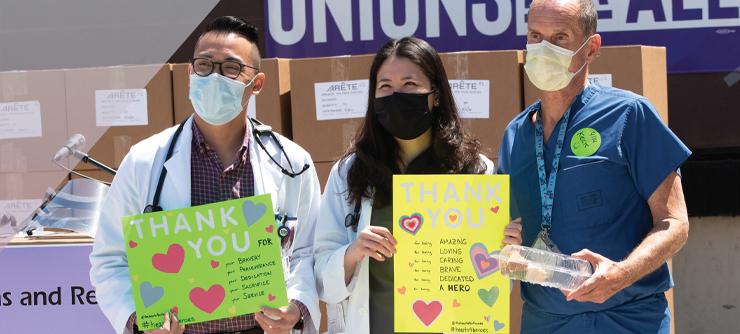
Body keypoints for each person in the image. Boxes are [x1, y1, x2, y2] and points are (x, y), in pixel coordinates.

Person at [90, 17, 321, 334]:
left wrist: (297, 305)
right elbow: (110, 260)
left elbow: (308, 252)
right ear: (189, 74)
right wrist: (139, 320)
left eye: (231, 68)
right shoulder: (143, 162)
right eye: (204, 65)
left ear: (257, 84)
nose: (214, 77)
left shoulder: (293, 162)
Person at [498, 0, 691, 334]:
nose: (544, 49)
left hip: (631, 320)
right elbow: (505, 232)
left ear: (591, 48)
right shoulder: (515, 135)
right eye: (535, 36)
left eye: (560, 38)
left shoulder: (630, 115)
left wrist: (620, 275)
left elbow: (675, 224)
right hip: (545, 323)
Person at [313, 37, 495, 334]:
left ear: (436, 94)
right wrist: (352, 253)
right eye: (385, 86)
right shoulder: (350, 172)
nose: (396, 95)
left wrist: (504, 250)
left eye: (410, 84)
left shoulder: (475, 171)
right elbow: (322, 275)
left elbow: (494, 279)